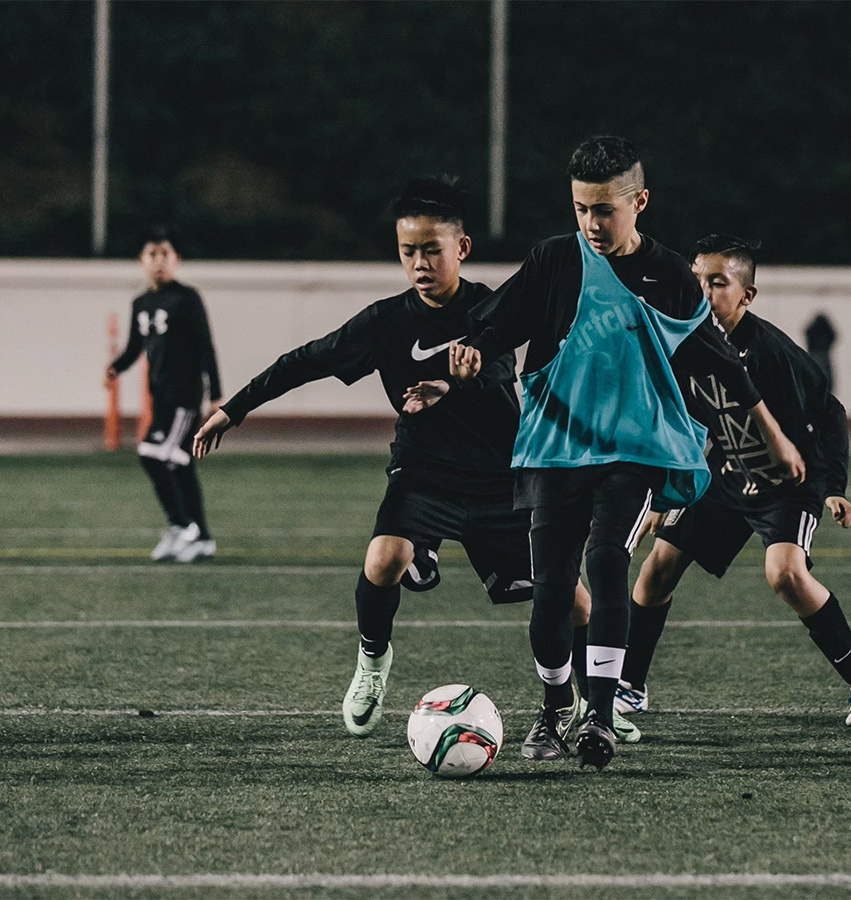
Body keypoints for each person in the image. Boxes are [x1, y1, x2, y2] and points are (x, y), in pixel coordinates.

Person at [192, 178, 595, 740]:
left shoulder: (490, 307)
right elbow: (303, 361)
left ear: (462, 248)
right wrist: (234, 409)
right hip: (423, 472)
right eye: (409, 251)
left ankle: (593, 702)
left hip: (500, 477)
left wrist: (451, 388)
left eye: (433, 249)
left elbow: (503, 371)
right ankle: (372, 661)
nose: (420, 262)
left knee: (574, 600)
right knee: (383, 559)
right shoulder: (386, 322)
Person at [449, 137, 806, 769]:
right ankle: (556, 703)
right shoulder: (555, 260)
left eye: (604, 210)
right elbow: (498, 321)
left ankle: (602, 715)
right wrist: (475, 349)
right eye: (581, 209)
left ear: (638, 202)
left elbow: (714, 357)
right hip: (556, 445)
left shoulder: (668, 274)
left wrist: (769, 431)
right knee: (553, 586)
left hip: (636, 447)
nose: (590, 223)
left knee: (608, 559)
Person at [615, 235, 851, 727]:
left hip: (789, 484)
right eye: (696, 280)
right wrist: (665, 488)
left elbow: (831, 414)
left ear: (746, 296)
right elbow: (680, 421)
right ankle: (631, 687)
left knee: (785, 574)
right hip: (728, 474)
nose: (702, 292)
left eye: (718, 283)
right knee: (657, 568)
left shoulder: (773, 354)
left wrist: (833, 486)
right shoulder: (680, 342)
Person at [106, 226, 222, 563]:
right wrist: (116, 366)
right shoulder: (140, 302)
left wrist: (215, 394)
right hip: (161, 398)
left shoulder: (187, 299)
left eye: (165, 255)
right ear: (141, 261)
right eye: (152, 255)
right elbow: (135, 347)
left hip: (184, 397)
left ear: (176, 260)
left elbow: (205, 346)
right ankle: (202, 539)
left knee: (151, 454)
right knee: (181, 465)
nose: (159, 261)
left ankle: (181, 525)